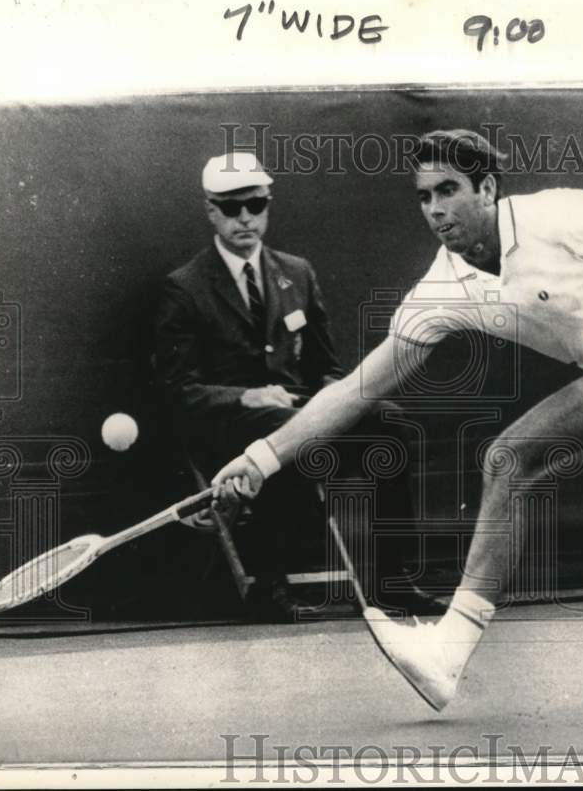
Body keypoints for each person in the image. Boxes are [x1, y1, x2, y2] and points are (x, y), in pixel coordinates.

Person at [211, 130, 583, 706]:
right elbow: (357, 389)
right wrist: (261, 457)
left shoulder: (555, 215)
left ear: (486, 188)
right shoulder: (442, 290)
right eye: (424, 196)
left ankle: (447, 651)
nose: (435, 210)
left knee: (511, 457)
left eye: (448, 190)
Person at [156, 152, 439, 620]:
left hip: (299, 419)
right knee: (286, 424)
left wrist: (334, 404)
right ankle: (270, 584)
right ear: (210, 210)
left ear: (268, 204)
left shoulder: (298, 273)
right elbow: (177, 391)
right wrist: (246, 396)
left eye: (255, 204)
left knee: (386, 420)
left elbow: (328, 369)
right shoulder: (184, 288)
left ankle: (391, 580)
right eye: (231, 208)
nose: (245, 218)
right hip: (230, 431)